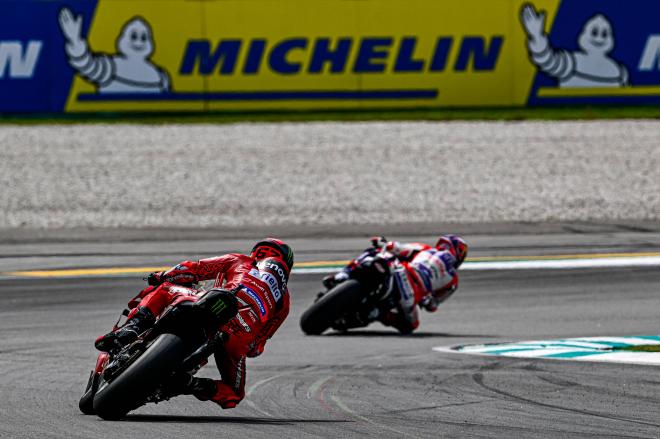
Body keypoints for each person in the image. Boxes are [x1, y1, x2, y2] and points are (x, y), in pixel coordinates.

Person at [94, 238, 294, 409]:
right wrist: (245, 344)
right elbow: (257, 347)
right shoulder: (284, 302)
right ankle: (191, 383)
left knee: (165, 289)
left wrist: (160, 276)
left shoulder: (241, 260)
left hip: (209, 303)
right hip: (239, 336)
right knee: (234, 393)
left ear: (257, 252)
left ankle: (133, 327)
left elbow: (192, 269)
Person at [324, 235, 467, 334]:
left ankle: (343, 275)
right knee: (410, 325)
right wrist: (426, 299)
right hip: (410, 294)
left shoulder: (425, 249)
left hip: (400, 271)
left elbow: (397, 248)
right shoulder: (453, 281)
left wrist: (384, 242)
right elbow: (433, 305)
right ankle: (377, 313)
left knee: (374, 252)